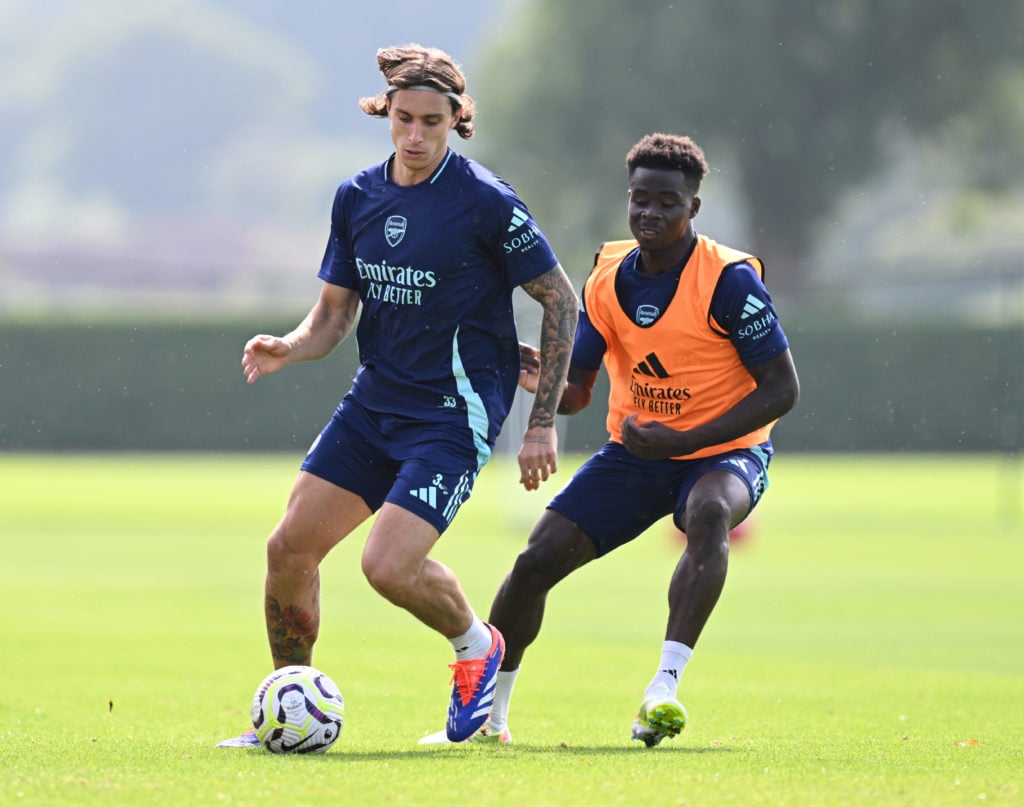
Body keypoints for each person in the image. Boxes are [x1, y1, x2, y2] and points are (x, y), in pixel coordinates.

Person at [217, 44, 577, 748]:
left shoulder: (485, 203)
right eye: (404, 119)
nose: (415, 137)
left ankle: (477, 645)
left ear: (457, 121)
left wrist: (540, 427)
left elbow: (562, 302)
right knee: (289, 547)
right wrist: (290, 345)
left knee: (386, 565)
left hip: (453, 414)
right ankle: (287, 707)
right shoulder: (357, 196)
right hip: (373, 403)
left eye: (433, 123)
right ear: (385, 113)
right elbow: (331, 318)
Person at [421, 132, 799, 747]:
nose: (650, 213)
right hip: (635, 454)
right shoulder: (605, 276)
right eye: (640, 199)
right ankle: (489, 720)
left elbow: (782, 390)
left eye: (667, 202)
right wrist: (539, 379)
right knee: (535, 560)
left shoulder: (729, 281)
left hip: (724, 452)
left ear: (693, 209)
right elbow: (578, 388)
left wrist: (686, 436)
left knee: (707, 515)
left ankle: (663, 689)